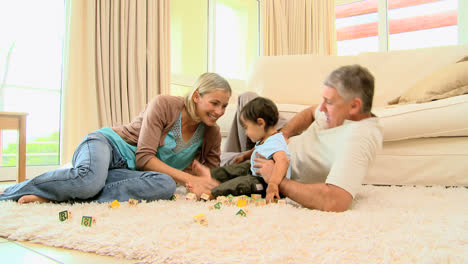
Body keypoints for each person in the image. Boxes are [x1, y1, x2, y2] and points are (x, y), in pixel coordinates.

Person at [0, 72, 231, 204]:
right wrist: (187, 178)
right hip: (109, 146)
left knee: (165, 185)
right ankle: (7, 193)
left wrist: (206, 182)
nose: (220, 111)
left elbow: (209, 176)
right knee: (89, 180)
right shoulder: (165, 105)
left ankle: (61, 197)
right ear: (196, 96)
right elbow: (144, 158)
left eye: (224, 106)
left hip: (131, 174)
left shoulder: (211, 134)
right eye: (215, 103)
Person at [222, 65, 383, 212]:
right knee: (247, 97)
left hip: (276, 164)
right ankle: (240, 153)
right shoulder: (336, 113)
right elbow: (311, 112)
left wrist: (278, 180)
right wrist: (283, 134)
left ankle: (227, 157)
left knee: (221, 165)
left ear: (354, 106)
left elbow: (335, 201)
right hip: (278, 140)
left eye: (329, 102)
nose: (321, 107)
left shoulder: (360, 138)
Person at [189, 97, 290, 202]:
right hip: (257, 173)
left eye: (246, 127)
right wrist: (244, 156)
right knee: (239, 168)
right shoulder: (266, 139)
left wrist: (273, 184)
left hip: (265, 183)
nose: (246, 133)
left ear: (260, 123)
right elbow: (258, 150)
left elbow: (282, 161)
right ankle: (212, 175)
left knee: (242, 183)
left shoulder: (275, 142)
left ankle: (211, 193)